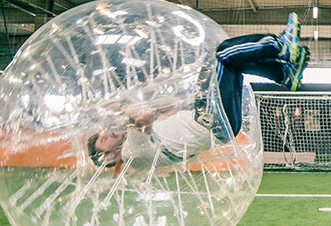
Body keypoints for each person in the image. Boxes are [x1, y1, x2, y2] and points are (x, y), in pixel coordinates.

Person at [87, 13, 310, 169]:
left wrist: (154, 105)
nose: (108, 134)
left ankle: (284, 75)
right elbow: (142, 115)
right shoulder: (130, 153)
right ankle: (278, 45)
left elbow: (170, 107)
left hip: (213, 122)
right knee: (222, 55)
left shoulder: (145, 144)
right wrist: (124, 107)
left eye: (103, 134)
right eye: (104, 140)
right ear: (107, 156)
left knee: (234, 65)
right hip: (211, 120)